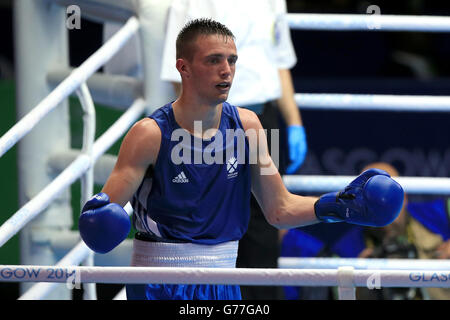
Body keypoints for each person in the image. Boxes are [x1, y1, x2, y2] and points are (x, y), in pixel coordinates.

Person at [78, 18, 404, 300]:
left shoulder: (248, 126)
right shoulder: (149, 134)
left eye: (232, 60)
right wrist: (100, 224)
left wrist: (339, 206)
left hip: (224, 281)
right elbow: (102, 217)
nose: (227, 70)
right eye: (214, 60)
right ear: (183, 67)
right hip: (159, 283)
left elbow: (279, 209)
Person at [159, 0, 307, 299]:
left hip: (265, 120)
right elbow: (180, 75)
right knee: (210, 222)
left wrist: (294, 122)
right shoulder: (189, 3)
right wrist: (200, 130)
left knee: (267, 220)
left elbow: (279, 62)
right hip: (213, 121)